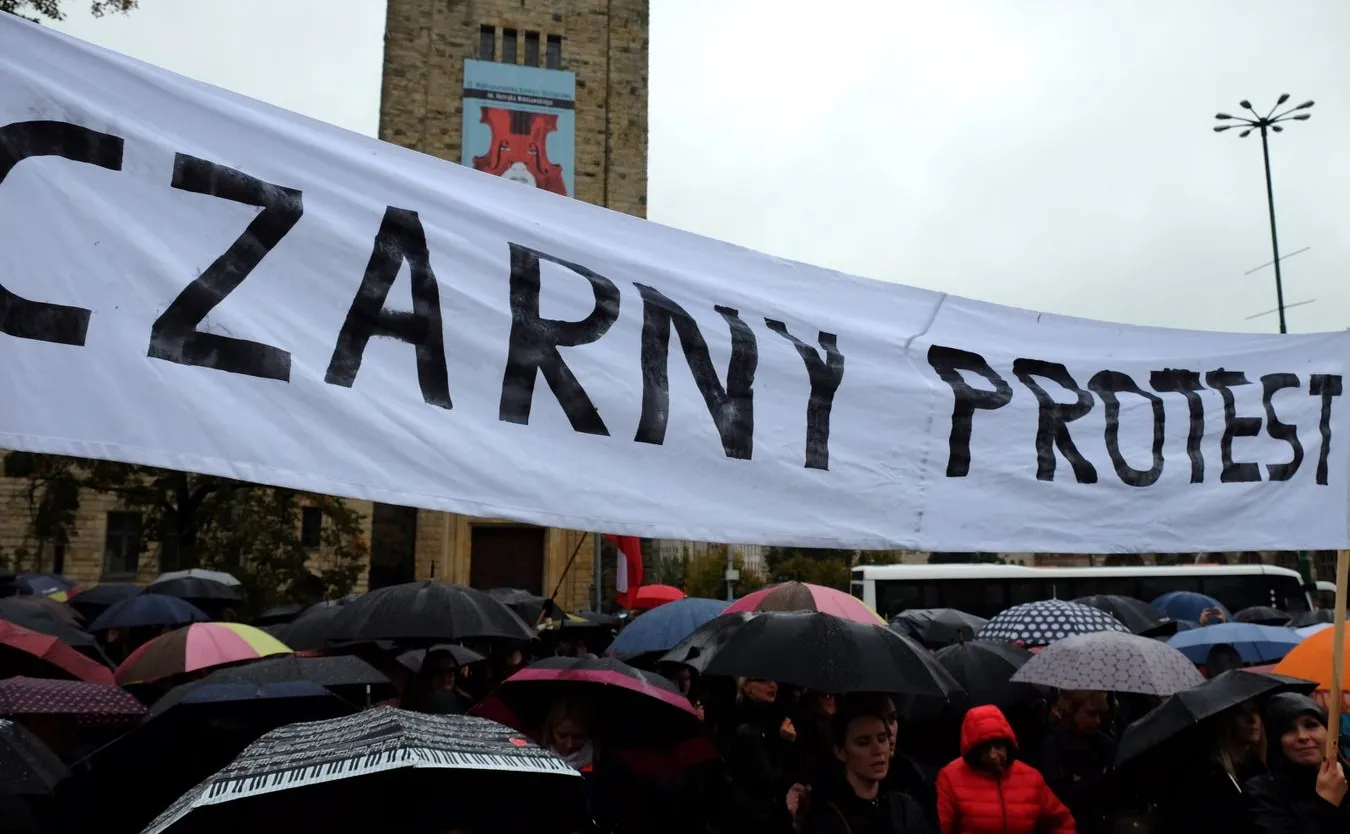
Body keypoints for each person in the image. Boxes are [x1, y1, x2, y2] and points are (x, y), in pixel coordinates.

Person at [797, 699, 932, 834]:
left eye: (882, 738)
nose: (878, 750)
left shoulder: (905, 809)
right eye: (863, 742)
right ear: (840, 751)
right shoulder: (827, 820)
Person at [936, 704, 1075, 834]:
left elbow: (1062, 821)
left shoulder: (1030, 777)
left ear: (1007, 745)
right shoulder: (950, 777)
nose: (993, 755)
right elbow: (940, 827)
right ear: (974, 751)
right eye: (985, 749)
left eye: (998, 746)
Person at [1245, 693, 1350, 834]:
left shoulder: (1346, 778)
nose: (1302, 736)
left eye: (1311, 725)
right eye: (1288, 729)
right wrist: (1327, 803)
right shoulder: (1262, 793)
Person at [1156, 698, 1266, 834]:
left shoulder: (1258, 769)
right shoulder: (1208, 777)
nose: (1252, 720)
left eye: (1254, 711)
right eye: (1241, 713)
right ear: (1226, 720)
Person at [723, 677, 797, 834]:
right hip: (756, 818)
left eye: (775, 680)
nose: (772, 685)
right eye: (763, 680)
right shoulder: (745, 728)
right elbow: (770, 778)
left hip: (767, 813)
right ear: (747, 687)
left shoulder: (774, 719)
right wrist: (785, 743)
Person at [1038, 691, 1115, 834]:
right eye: (1091, 714)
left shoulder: (1104, 743)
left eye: (1100, 715)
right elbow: (1059, 796)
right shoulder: (1054, 746)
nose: (1097, 721)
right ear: (1071, 711)